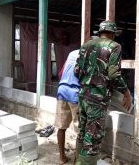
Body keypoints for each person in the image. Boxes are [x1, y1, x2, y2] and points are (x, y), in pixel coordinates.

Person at [74, 21, 132, 165]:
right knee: (92, 140)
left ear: (100, 32)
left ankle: (77, 162)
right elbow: (114, 75)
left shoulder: (85, 45)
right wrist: (126, 92)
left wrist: (88, 81)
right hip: (97, 100)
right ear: (112, 34)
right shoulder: (114, 46)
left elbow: (76, 71)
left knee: (82, 134)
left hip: (82, 96)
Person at [54, 49, 80, 165]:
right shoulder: (89, 54)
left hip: (62, 90)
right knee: (81, 131)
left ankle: (61, 157)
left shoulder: (72, 53)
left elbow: (60, 73)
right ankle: (76, 161)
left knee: (61, 127)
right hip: (75, 93)